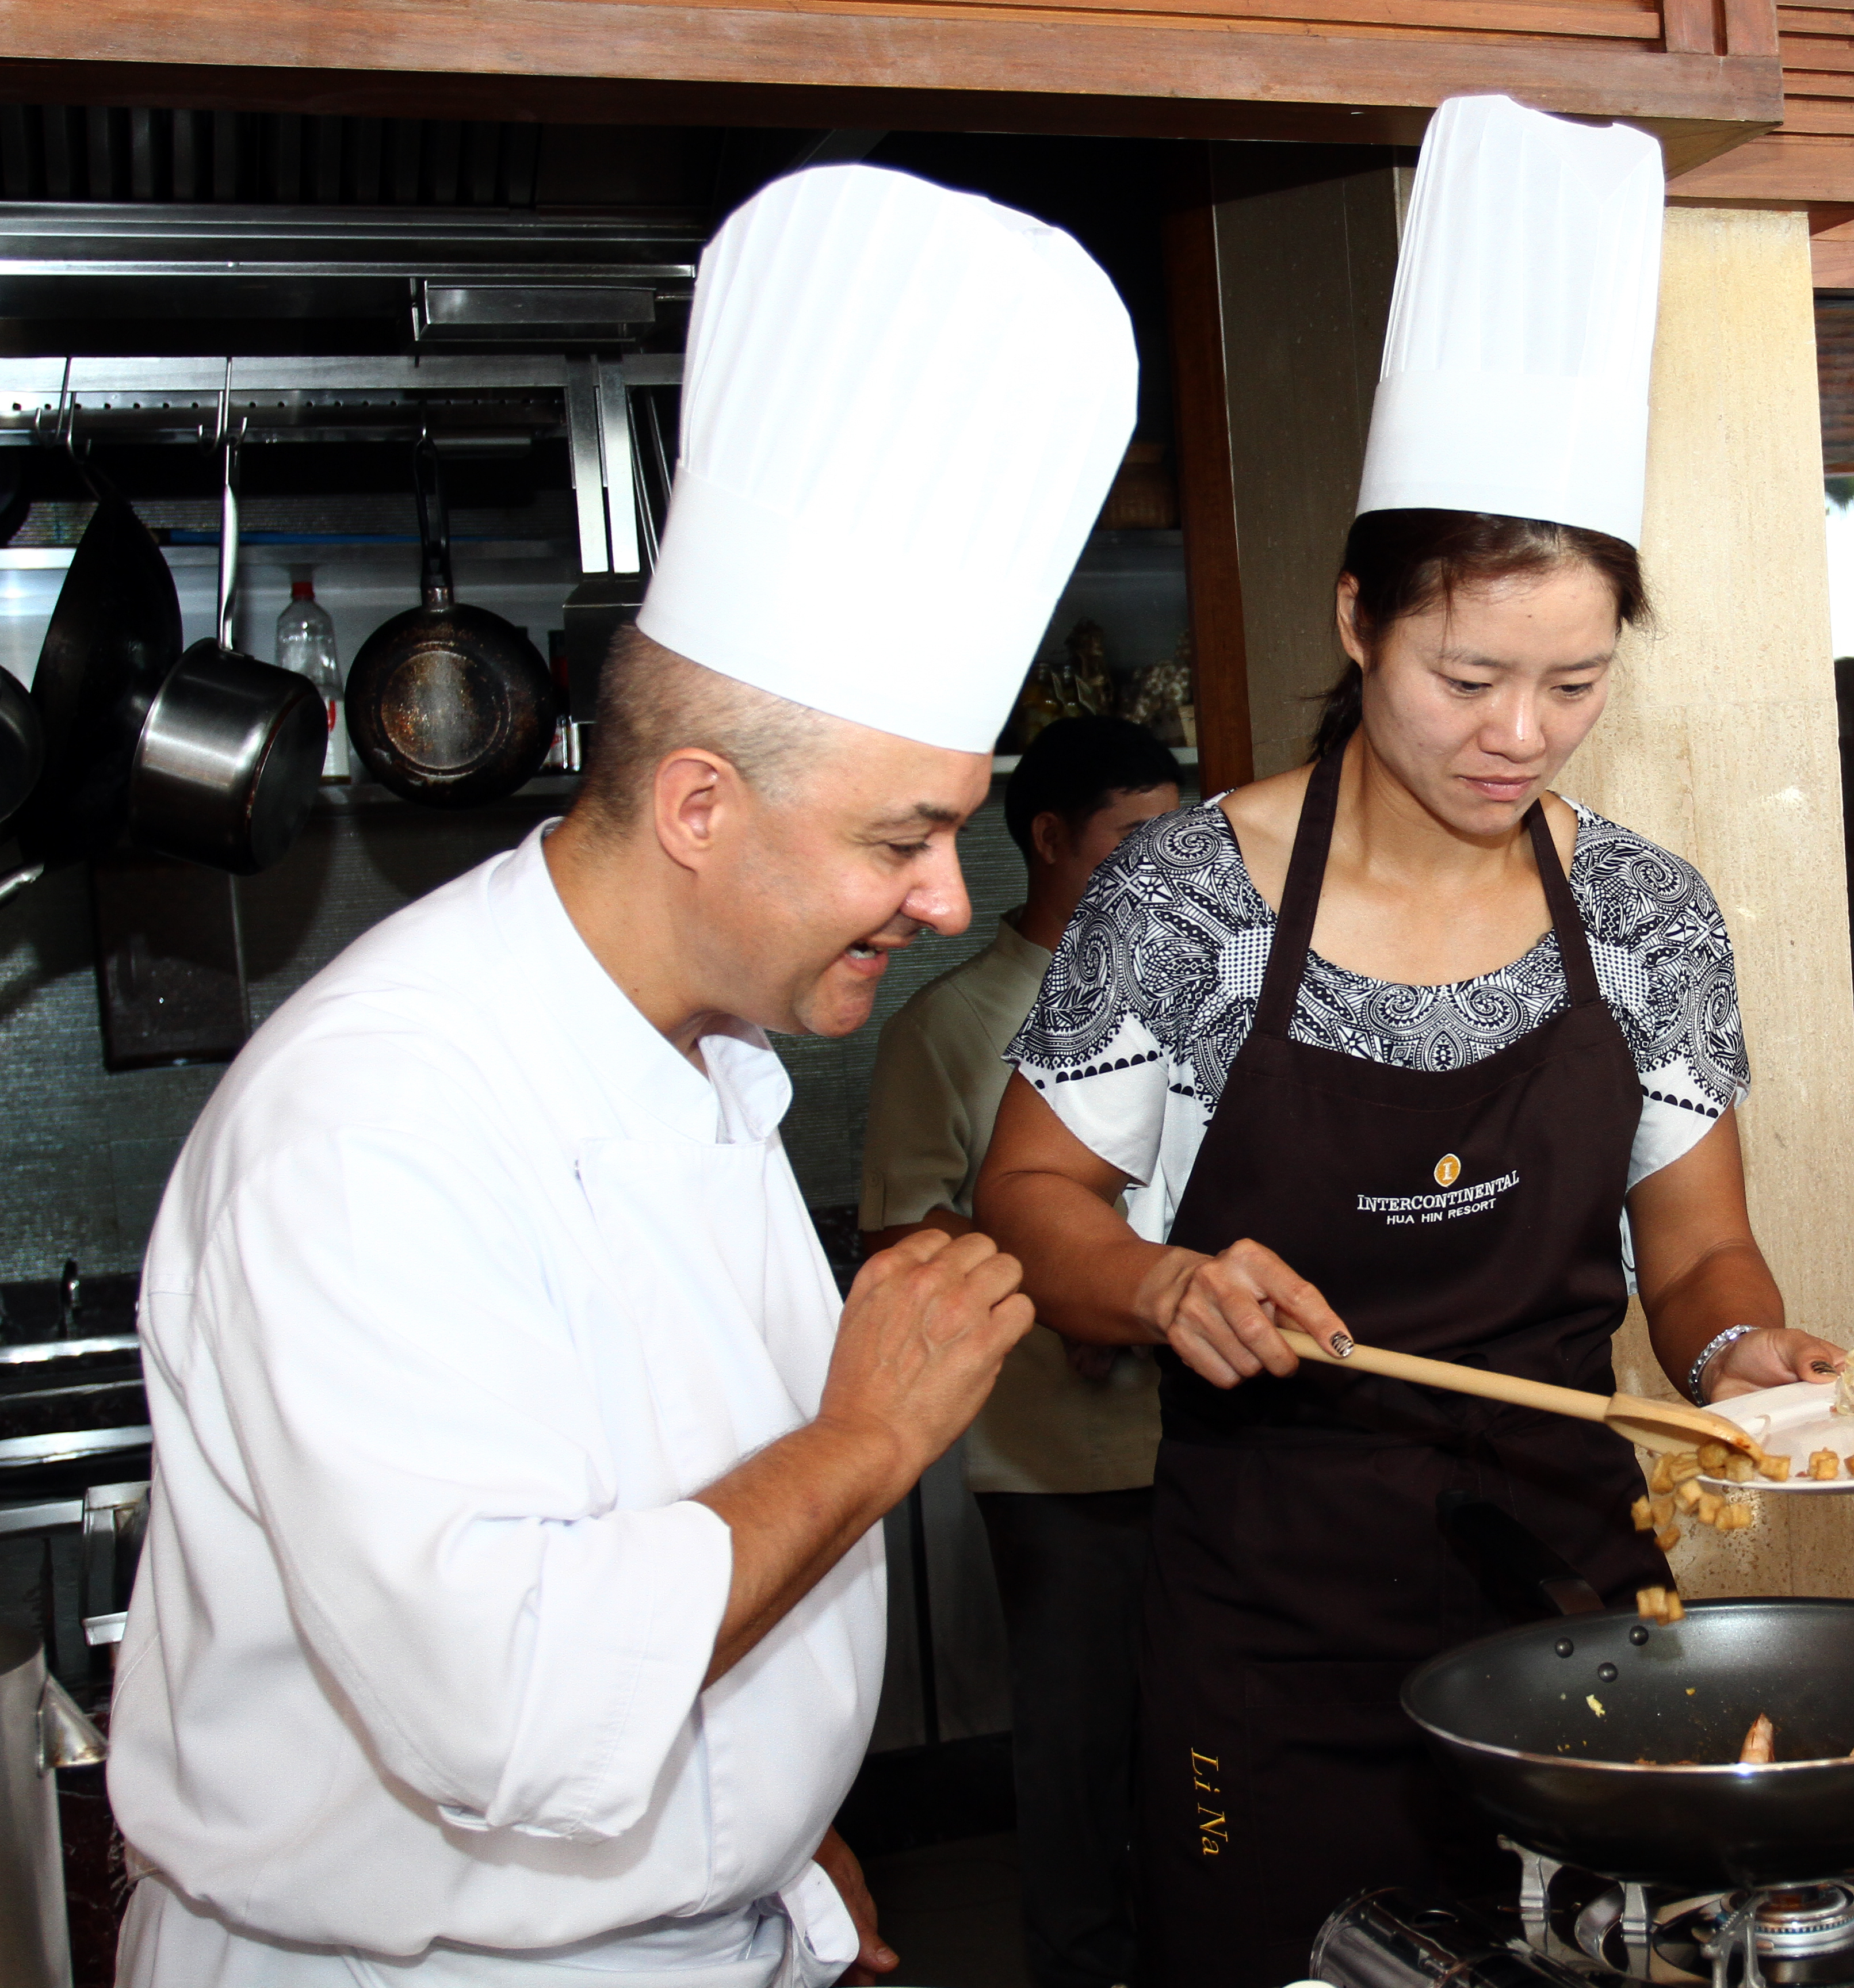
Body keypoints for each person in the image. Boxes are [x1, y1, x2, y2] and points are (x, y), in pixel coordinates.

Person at [106, 163, 1139, 1986]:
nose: (942, 897)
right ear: (698, 806)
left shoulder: (701, 1060)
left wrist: (767, 1819)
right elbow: (510, 1701)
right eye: (901, 837)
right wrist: (870, 1435)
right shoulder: (381, 1118)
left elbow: (654, 1543)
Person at [971, 95, 1846, 1988]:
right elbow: (1028, 1199)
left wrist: (1740, 1355)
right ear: (1357, 618)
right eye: (1468, 676)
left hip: (1569, 1608)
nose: (1519, 733)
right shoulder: (1185, 899)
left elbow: (1698, 1249)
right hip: (1267, 1634)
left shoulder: (1648, 913)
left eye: (1575, 682)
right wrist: (1159, 1281)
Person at [856, 713, 1180, 1988]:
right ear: (1049, 839)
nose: (1162, 870)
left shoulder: (1197, 993)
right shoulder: (949, 1026)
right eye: (1131, 842)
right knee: (1078, 1750)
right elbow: (905, 1225)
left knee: (1203, 1743)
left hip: (1213, 1433)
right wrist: (1062, 1294)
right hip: (1058, 1458)